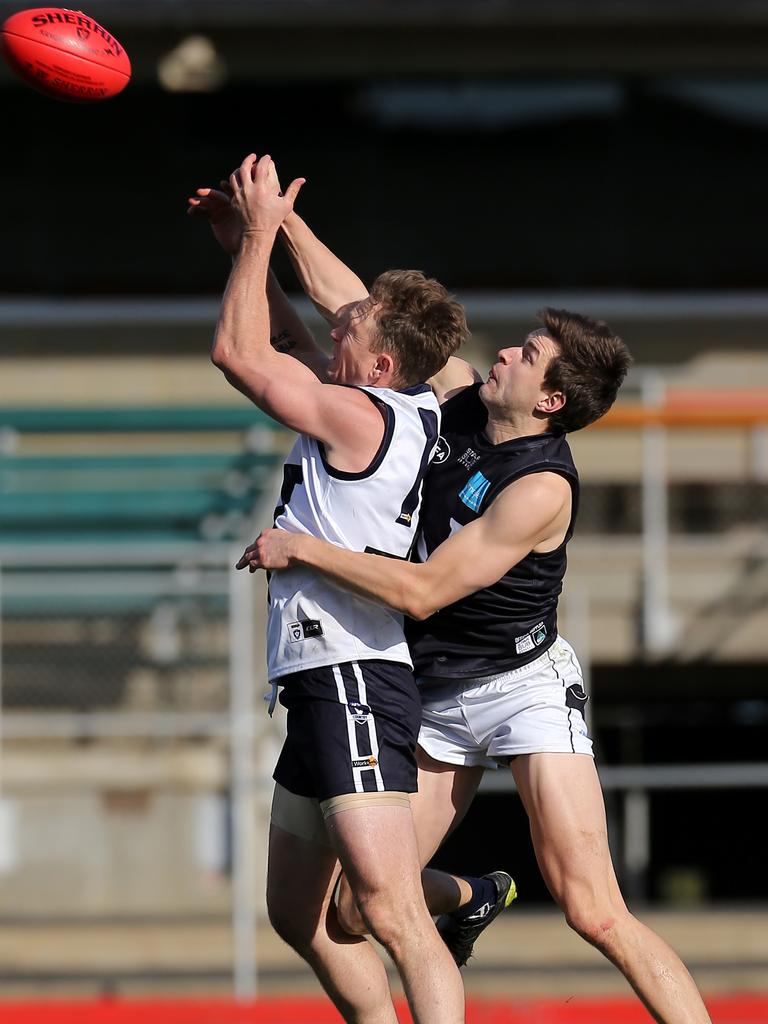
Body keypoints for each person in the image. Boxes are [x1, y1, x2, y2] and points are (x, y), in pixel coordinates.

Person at [240, 299, 714, 1024]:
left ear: (551, 399)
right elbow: (365, 312)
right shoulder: (460, 398)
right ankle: (473, 895)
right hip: (435, 693)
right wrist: (275, 228)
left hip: (523, 687)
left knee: (593, 909)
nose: (505, 356)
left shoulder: (540, 485)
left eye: (527, 355)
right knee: (352, 911)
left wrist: (304, 547)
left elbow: (424, 592)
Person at [193, 152, 471, 1024]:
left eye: (356, 322)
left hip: (351, 673)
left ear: (381, 363)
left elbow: (238, 352)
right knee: (297, 914)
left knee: (389, 912)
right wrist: (243, 241)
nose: (340, 320)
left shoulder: (359, 413)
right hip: (321, 678)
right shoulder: (393, 401)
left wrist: (265, 233)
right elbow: (280, 336)